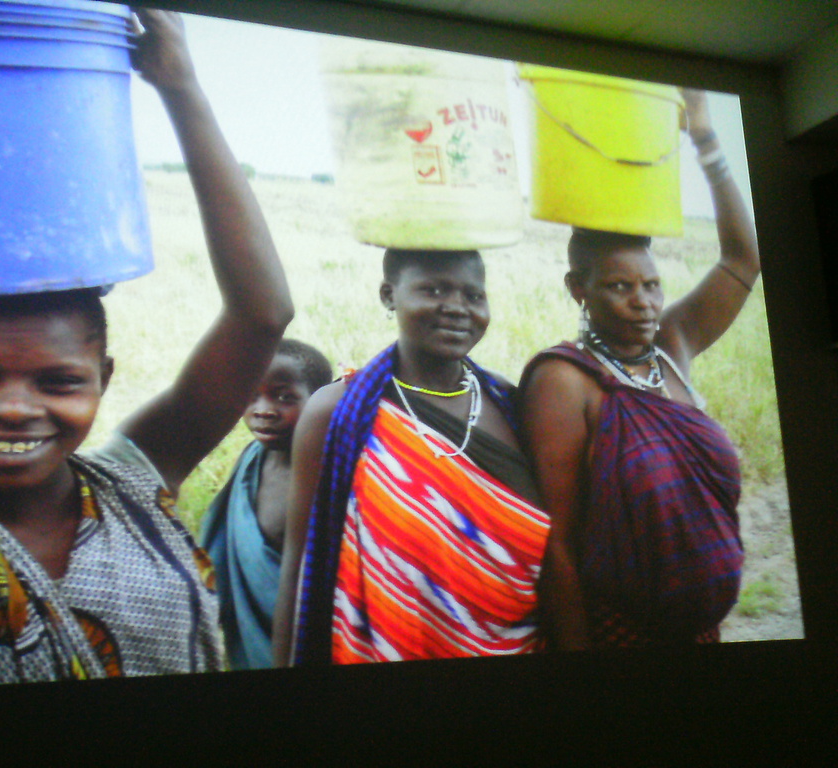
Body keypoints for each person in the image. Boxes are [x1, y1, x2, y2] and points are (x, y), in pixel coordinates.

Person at [0, 9, 293, 691]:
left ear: (104, 377)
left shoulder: (136, 477)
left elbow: (262, 315)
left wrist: (180, 86)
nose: (14, 408)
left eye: (59, 382)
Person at [518, 90, 759, 650]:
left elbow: (742, 259)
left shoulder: (672, 345)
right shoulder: (565, 380)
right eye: (619, 286)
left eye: (651, 285)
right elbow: (558, 541)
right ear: (578, 289)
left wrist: (705, 138)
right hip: (621, 637)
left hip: (702, 632)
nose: (643, 302)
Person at [273, 249, 551, 666]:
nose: (457, 308)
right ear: (389, 295)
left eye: (473, 295)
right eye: (434, 290)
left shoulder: (508, 402)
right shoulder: (336, 412)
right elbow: (300, 562)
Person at [199, 339, 332, 670]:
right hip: (251, 644)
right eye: (251, 395)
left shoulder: (331, 476)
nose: (263, 410)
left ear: (319, 399)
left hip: (313, 641)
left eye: (284, 397)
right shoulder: (252, 459)